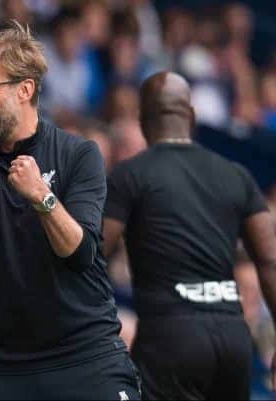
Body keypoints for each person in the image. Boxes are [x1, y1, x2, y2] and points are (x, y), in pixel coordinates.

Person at [0, 22, 140, 400]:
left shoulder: (78, 154)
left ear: (25, 89)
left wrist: (42, 196)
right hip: (4, 366)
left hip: (85, 356)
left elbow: (80, 254)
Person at [103, 71, 276, 400]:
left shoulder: (130, 175)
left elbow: (91, 257)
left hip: (170, 336)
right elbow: (269, 260)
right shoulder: (237, 175)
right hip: (231, 338)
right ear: (192, 118)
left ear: (143, 122)